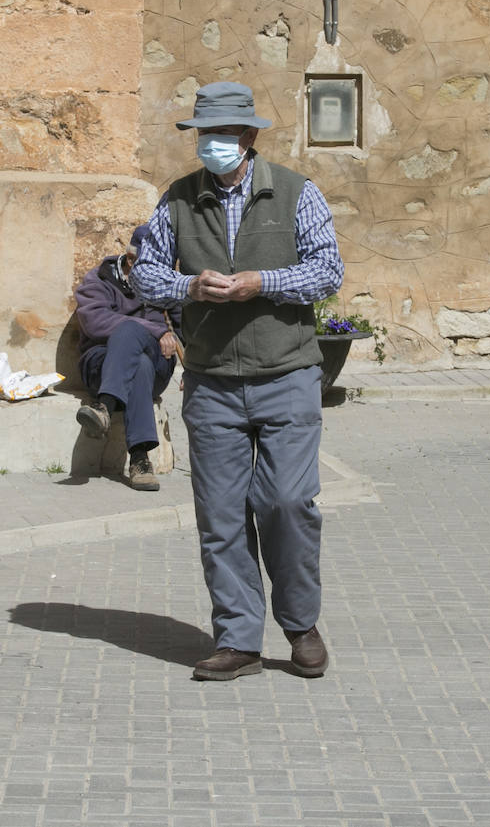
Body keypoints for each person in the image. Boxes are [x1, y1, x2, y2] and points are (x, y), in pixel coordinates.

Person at [131, 82, 346, 682]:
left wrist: (262, 284)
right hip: (212, 380)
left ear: (250, 137)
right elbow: (145, 272)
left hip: (288, 374)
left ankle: (300, 624)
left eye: (225, 133)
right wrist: (189, 288)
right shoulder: (176, 201)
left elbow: (328, 270)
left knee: (286, 503)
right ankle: (238, 640)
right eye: (206, 134)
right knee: (221, 515)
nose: (213, 144)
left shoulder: (298, 193)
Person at [73, 225, 183, 491]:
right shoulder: (99, 279)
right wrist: (157, 330)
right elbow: (95, 322)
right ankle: (140, 458)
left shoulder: (166, 283)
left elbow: (186, 331)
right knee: (133, 344)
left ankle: (104, 408)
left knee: (142, 354)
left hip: (158, 366)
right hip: (102, 366)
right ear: (131, 259)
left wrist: (193, 371)